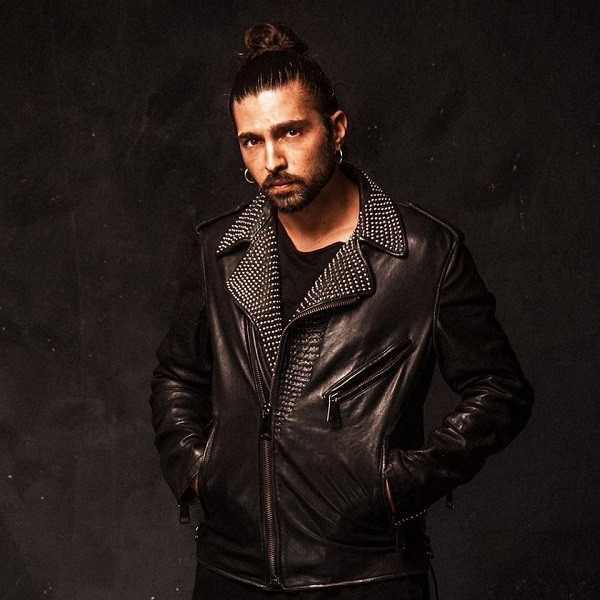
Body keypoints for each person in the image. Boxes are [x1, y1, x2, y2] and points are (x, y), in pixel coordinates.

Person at [150, 22, 534, 600]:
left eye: (290, 131)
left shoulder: (424, 255)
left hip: (367, 574)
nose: (272, 160)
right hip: (232, 571)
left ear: (336, 128)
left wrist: (396, 487)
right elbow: (178, 375)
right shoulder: (218, 251)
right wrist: (199, 473)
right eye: (251, 141)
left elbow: (499, 390)